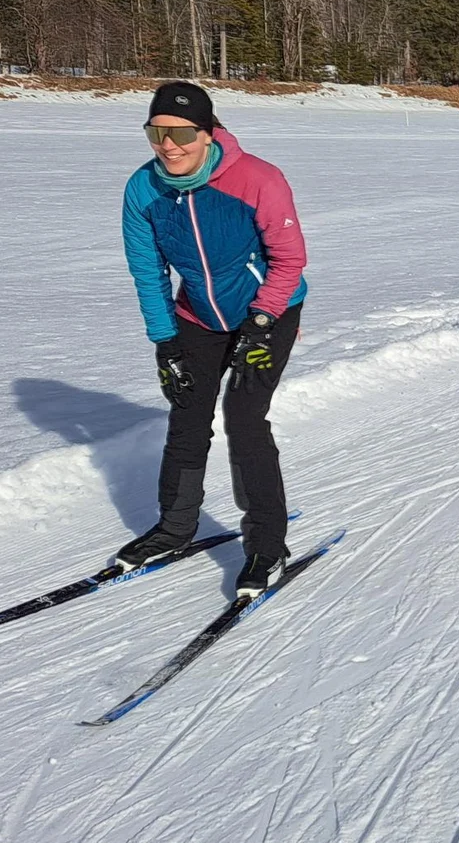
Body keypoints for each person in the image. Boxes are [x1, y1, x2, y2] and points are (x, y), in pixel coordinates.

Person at [116, 81, 307, 599]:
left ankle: (267, 545)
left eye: (181, 133)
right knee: (187, 414)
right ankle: (176, 528)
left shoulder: (257, 179)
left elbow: (289, 261)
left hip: (269, 309)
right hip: (197, 317)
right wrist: (165, 342)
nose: (169, 145)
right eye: (157, 132)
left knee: (244, 418)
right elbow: (147, 271)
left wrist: (262, 324)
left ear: (208, 132)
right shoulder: (143, 189)